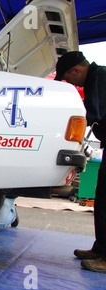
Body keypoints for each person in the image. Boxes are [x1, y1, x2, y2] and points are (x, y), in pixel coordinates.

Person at [55, 51, 106, 273]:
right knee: (102, 198)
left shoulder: (101, 77)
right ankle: (101, 248)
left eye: (68, 78)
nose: (70, 83)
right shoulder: (97, 78)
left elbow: (93, 115)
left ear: (76, 70)